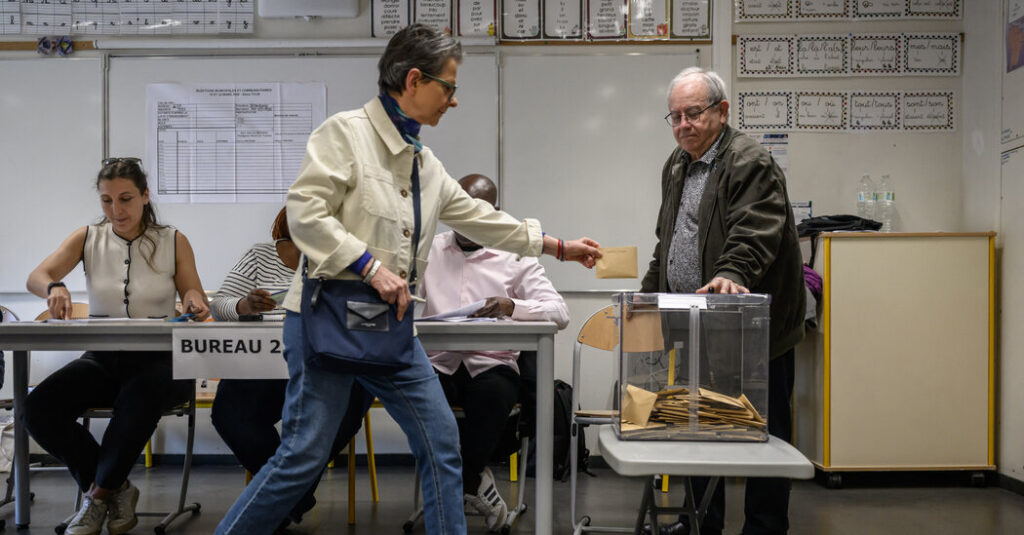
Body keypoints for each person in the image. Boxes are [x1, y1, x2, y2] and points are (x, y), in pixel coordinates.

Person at [215, 24, 601, 535]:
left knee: (442, 446)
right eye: (449, 87)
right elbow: (306, 215)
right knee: (302, 457)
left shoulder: (425, 163)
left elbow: (481, 219)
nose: (454, 100)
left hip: (391, 328)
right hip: (325, 321)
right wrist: (370, 267)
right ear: (414, 80)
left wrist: (557, 246)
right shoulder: (344, 133)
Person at [640, 67, 805, 535]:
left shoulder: (749, 162)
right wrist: (647, 295)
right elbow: (669, 241)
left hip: (753, 329)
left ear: (722, 111)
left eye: (693, 113)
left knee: (763, 431)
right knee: (698, 425)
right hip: (697, 323)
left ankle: (765, 527)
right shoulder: (677, 164)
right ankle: (699, 524)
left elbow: (756, 230)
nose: (683, 125)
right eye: (675, 116)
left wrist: (732, 273)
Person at [22, 158, 210, 535]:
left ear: (145, 196)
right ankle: (115, 489)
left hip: (162, 362)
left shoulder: (173, 239)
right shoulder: (87, 237)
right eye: (106, 201)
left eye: (125, 199)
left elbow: (193, 291)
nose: (116, 210)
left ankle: (95, 499)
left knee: (138, 397)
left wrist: (193, 301)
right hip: (103, 359)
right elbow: (36, 277)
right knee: (38, 409)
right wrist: (54, 287)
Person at [419, 174, 570, 531]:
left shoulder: (515, 254)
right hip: (438, 362)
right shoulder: (428, 250)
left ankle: (464, 482)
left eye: (477, 213)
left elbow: (559, 312)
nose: (467, 221)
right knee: (416, 400)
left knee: (492, 396)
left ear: (495, 213)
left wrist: (512, 306)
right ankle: (473, 483)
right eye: (459, 211)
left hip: (491, 363)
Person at [208, 207, 372, 532]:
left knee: (347, 406)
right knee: (230, 412)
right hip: (266, 366)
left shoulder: (353, 258)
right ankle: (291, 499)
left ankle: (277, 501)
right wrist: (243, 305)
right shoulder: (259, 256)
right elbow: (218, 304)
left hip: (332, 364)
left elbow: (371, 313)